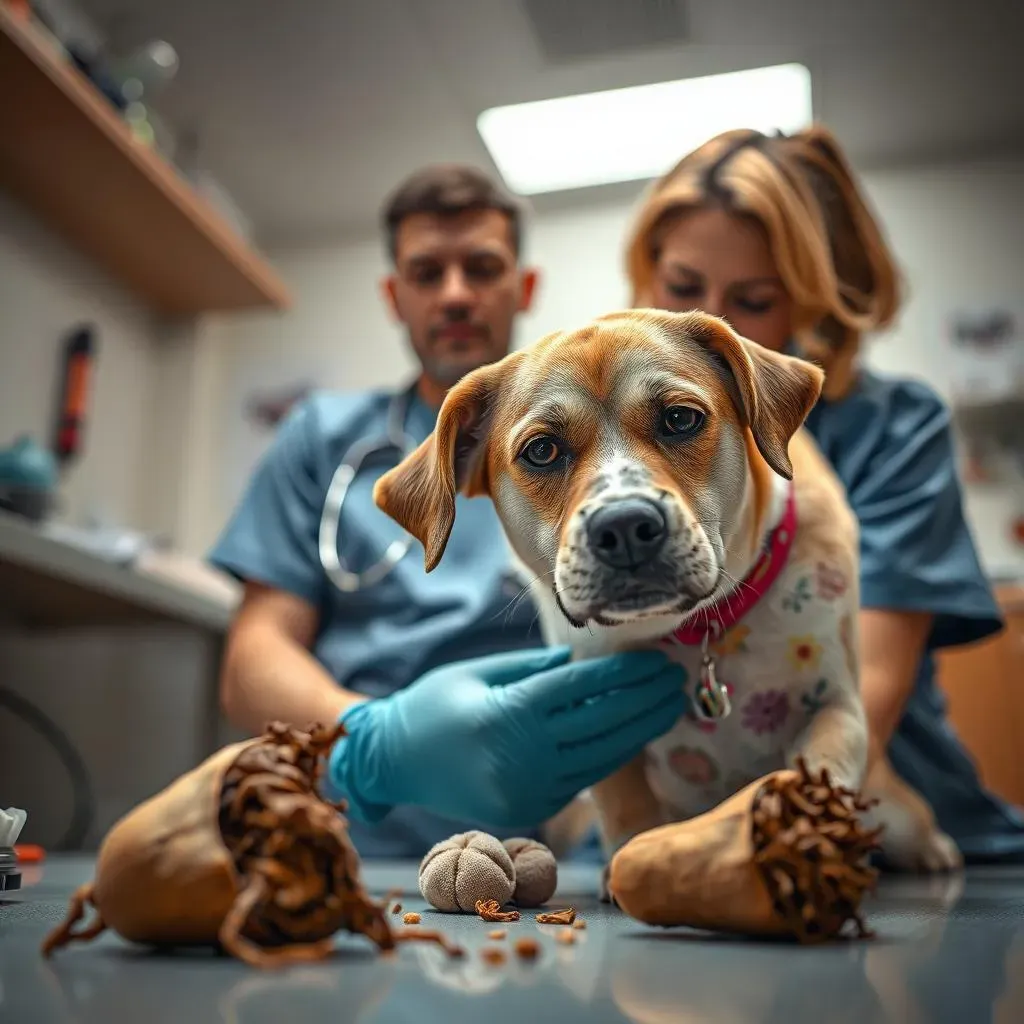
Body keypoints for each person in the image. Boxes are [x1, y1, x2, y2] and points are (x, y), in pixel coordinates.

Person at [208, 164, 686, 858]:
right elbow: (252, 660)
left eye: (482, 268)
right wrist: (374, 743)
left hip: (554, 852)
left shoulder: (608, 446)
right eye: (427, 273)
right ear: (394, 296)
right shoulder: (322, 438)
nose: (456, 294)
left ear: (523, 286)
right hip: (355, 841)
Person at [622, 124, 1024, 862]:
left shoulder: (891, 428)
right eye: (682, 287)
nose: (706, 321)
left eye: (752, 298)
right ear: (647, 270)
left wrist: (705, 852)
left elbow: (868, 683)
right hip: (675, 811)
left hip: (882, 819)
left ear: (811, 304)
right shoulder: (622, 426)